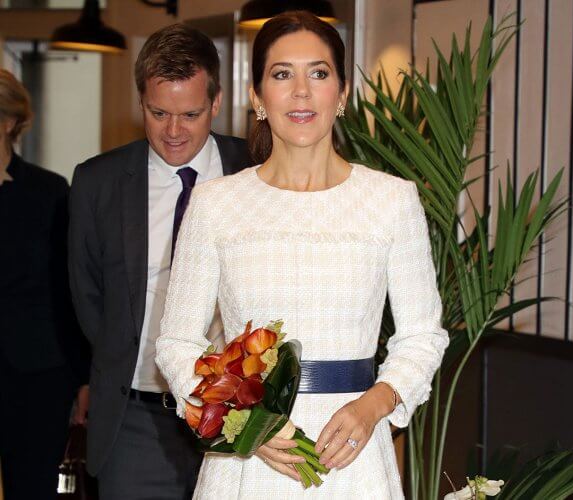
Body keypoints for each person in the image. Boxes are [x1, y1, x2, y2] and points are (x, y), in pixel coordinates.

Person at [156, 11, 449, 499]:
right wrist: (246, 423)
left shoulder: (392, 201)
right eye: (281, 74)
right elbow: (177, 342)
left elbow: (422, 336)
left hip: (354, 455)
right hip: (249, 463)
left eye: (318, 73)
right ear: (257, 97)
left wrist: (374, 404)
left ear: (343, 93)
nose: (300, 92)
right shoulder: (214, 204)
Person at [68, 24, 253, 500]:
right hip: (138, 416)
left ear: (216, 102)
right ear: (141, 103)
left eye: (190, 114)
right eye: (158, 113)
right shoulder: (97, 183)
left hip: (243, 414)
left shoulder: (256, 170)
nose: (173, 132)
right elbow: (87, 296)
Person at [0, 69, 90, 500]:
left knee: (33, 491)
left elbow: (70, 291)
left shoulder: (49, 192)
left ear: (8, 122)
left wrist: (84, 377)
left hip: (37, 375)